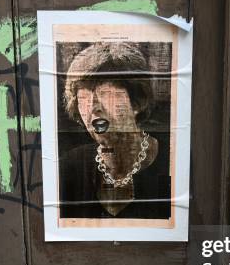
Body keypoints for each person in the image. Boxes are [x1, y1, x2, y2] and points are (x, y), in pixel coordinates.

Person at [58, 42, 171, 219]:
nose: (93, 107)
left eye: (106, 94)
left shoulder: (171, 162)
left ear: (137, 102)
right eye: (83, 97)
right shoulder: (69, 166)